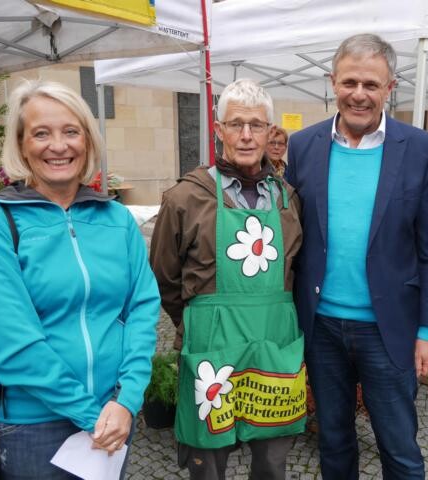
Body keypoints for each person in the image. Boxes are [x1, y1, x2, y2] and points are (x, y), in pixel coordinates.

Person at [0, 79, 160, 479]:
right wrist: (92, 414)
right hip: (31, 427)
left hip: (114, 414)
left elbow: (142, 310)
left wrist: (126, 401)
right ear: (21, 144)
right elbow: (10, 340)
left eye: (71, 131)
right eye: (41, 133)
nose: (58, 146)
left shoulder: (117, 219)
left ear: (88, 141)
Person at [285, 33, 428, 479]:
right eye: (349, 82)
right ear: (332, 82)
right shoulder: (303, 145)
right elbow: (293, 235)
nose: (359, 94)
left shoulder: (420, 148)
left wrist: (426, 331)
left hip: (388, 327)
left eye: (371, 84)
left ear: (390, 87)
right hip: (321, 327)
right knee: (334, 442)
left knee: (399, 447)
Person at [150, 78, 305, 480]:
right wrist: (197, 320)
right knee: (208, 458)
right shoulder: (185, 198)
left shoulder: (288, 198)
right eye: (236, 124)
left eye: (256, 125)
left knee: (272, 458)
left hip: (274, 342)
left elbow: (296, 271)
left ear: (270, 132)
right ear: (219, 130)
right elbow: (163, 275)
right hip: (212, 345)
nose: (247, 135)